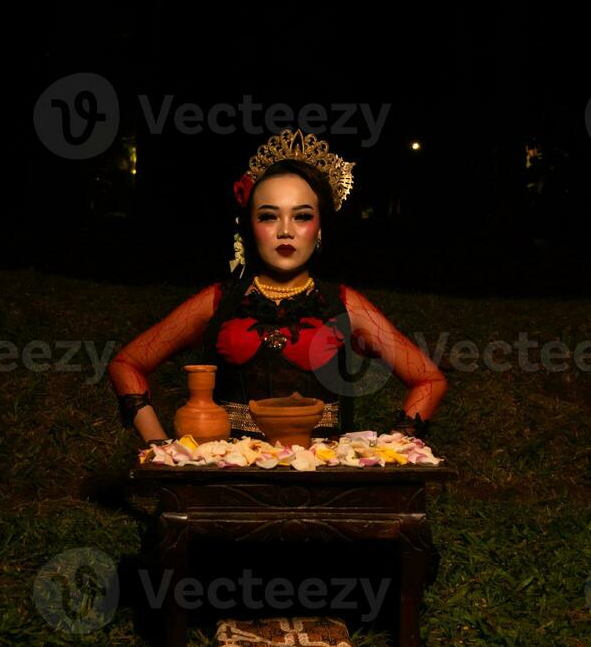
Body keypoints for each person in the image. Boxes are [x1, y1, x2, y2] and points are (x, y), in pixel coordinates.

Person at [108, 129, 448, 447]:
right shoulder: (219, 301)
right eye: (269, 216)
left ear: (319, 228)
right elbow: (127, 364)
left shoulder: (345, 304)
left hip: (321, 481)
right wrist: (160, 448)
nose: (285, 230)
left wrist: (390, 454)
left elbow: (428, 381)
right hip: (230, 479)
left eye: (301, 216)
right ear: (249, 227)